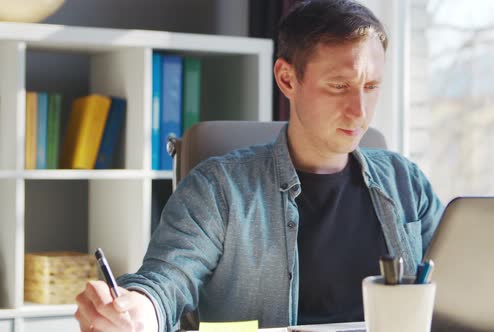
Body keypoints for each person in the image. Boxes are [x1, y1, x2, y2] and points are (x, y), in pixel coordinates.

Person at [75, 0, 444, 331]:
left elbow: (462, 283)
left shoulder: (405, 181)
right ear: (287, 79)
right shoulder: (217, 188)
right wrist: (137, 312)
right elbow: (167, 280)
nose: (359, 112)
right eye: (338, 86)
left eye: (371, 87)